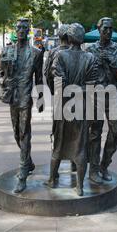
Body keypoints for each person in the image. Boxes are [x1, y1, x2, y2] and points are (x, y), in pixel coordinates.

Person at [46, 23, 100, 196]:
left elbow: (59, 84)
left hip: (63, 107)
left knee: (59, 144)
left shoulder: (60, 56)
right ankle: (80, 187)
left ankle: (52, 179)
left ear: (68, 38)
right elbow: (92, 87)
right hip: (82, 108)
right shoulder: (90, 58)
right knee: (80, 146)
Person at [0, 18, 44, 193]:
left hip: (25, 98)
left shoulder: (36, 53)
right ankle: (29, 161)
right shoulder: (7, 50)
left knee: (25, 132)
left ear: (28, 30)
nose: (21, 30)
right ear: (15, 30)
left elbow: (39, 78)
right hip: (12, 97)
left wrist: (40, 99)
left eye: (25, 27)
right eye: (19, 27)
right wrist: (3, 80)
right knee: (17, 132)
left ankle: (23, 172)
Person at [86, 17, 117, 183]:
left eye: (111, 29)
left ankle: (105, 165)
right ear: (99, 30)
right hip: (95, 95)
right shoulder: (90, 50)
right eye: (105, 29)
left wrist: (113, 64)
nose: (109, 32)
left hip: (111, 94)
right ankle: (94, 169)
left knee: (115, 131)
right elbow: (85, 74)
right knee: (94, 133)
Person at [44, 24, 77, 174]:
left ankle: (54, 170)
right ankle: (74, 163)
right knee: (75, 131)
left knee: (58, 131)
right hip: (76, 97)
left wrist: (54, 91)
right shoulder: (77, 53)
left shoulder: (53, 53)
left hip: (59, 97)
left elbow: (47, 74)